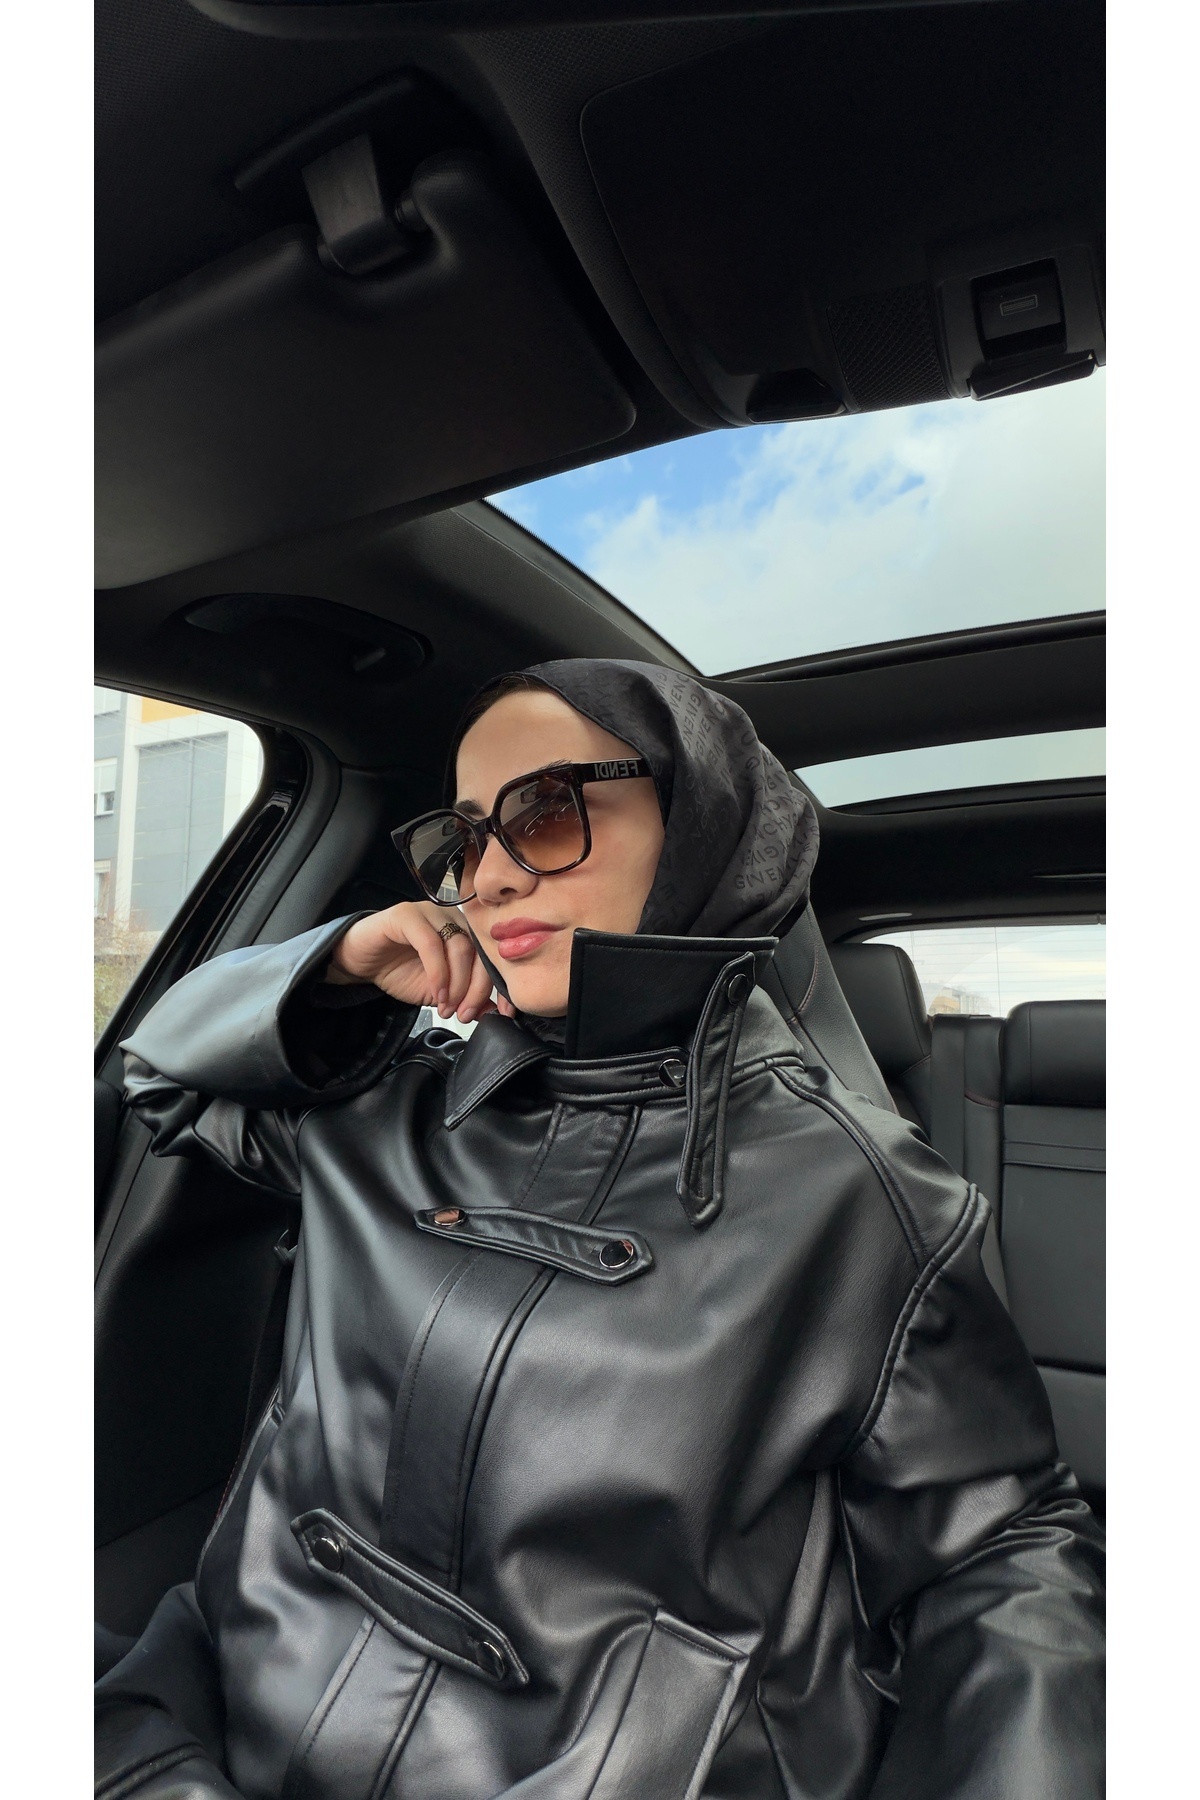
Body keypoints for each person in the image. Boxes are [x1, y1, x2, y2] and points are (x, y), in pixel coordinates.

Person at [96, 660, 1104, 1800]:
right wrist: (333, 969)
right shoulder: (377, 1104)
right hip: (220, 1725)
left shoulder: (866, 1197)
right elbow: (156, 1081)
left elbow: (1000, 1554)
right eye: (463, 840)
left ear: (700, 829)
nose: (488, 876)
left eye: (543, 812)